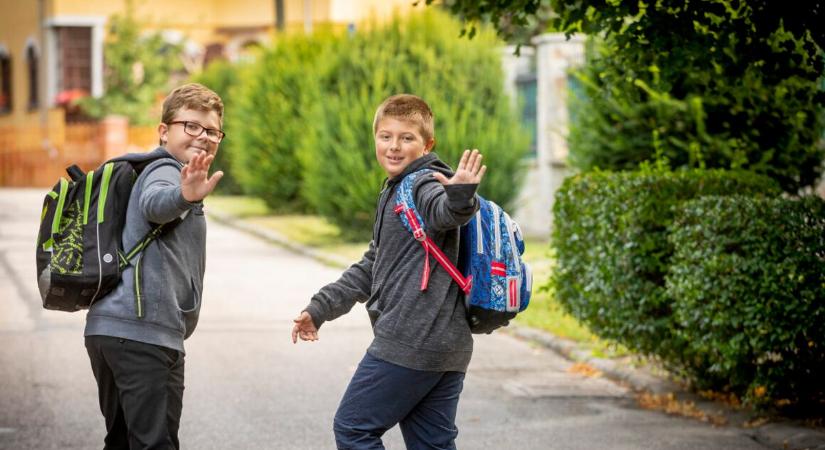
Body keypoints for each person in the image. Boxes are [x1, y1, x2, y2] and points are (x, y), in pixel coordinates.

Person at [292, 93, 486, 449]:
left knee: (353, 430)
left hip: (411, 340)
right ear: (375, 138)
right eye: (386, 136)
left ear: (427, 145)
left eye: (407, 138)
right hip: (446, 347)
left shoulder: (424, 182)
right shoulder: (396, 191)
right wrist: (320, 308)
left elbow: (444, 211)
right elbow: (371, 266)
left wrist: (460, 197)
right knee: (432, 445)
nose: (394, 147)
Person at [84, 83, 225, 449]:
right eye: (191, 126)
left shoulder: (154, 168)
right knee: (154, 444)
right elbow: (155, 204)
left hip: (110, 331)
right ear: (164, 131)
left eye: (211, 131)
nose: (203, 136)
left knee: (123, 442)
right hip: (142, 336)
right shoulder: (164, 170)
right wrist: (183, 195)